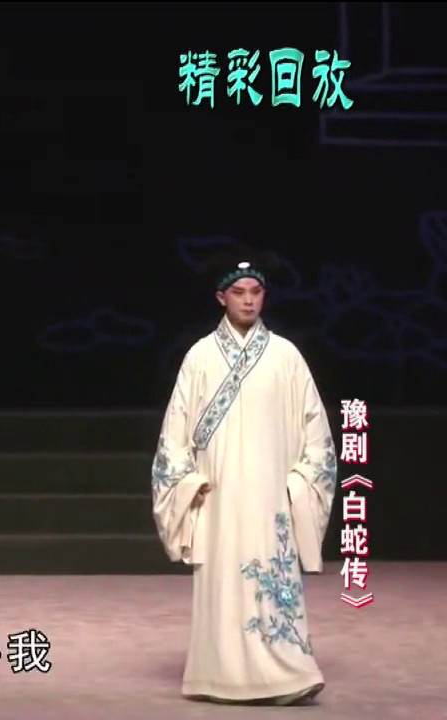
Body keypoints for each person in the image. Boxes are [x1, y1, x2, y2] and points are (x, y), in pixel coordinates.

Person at [150, 246, 337, 705]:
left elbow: (317, 434)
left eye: (256, 291)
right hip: (218, 495)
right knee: (224, 585)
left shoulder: (285, 356)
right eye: (239, 292)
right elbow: (174, 435)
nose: (249, 300)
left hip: (270, 496)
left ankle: (288, 674)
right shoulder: (199, 357)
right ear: (222, 298)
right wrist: (188, 484)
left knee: (270, 586)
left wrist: (298, 484)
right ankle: (218, 677)